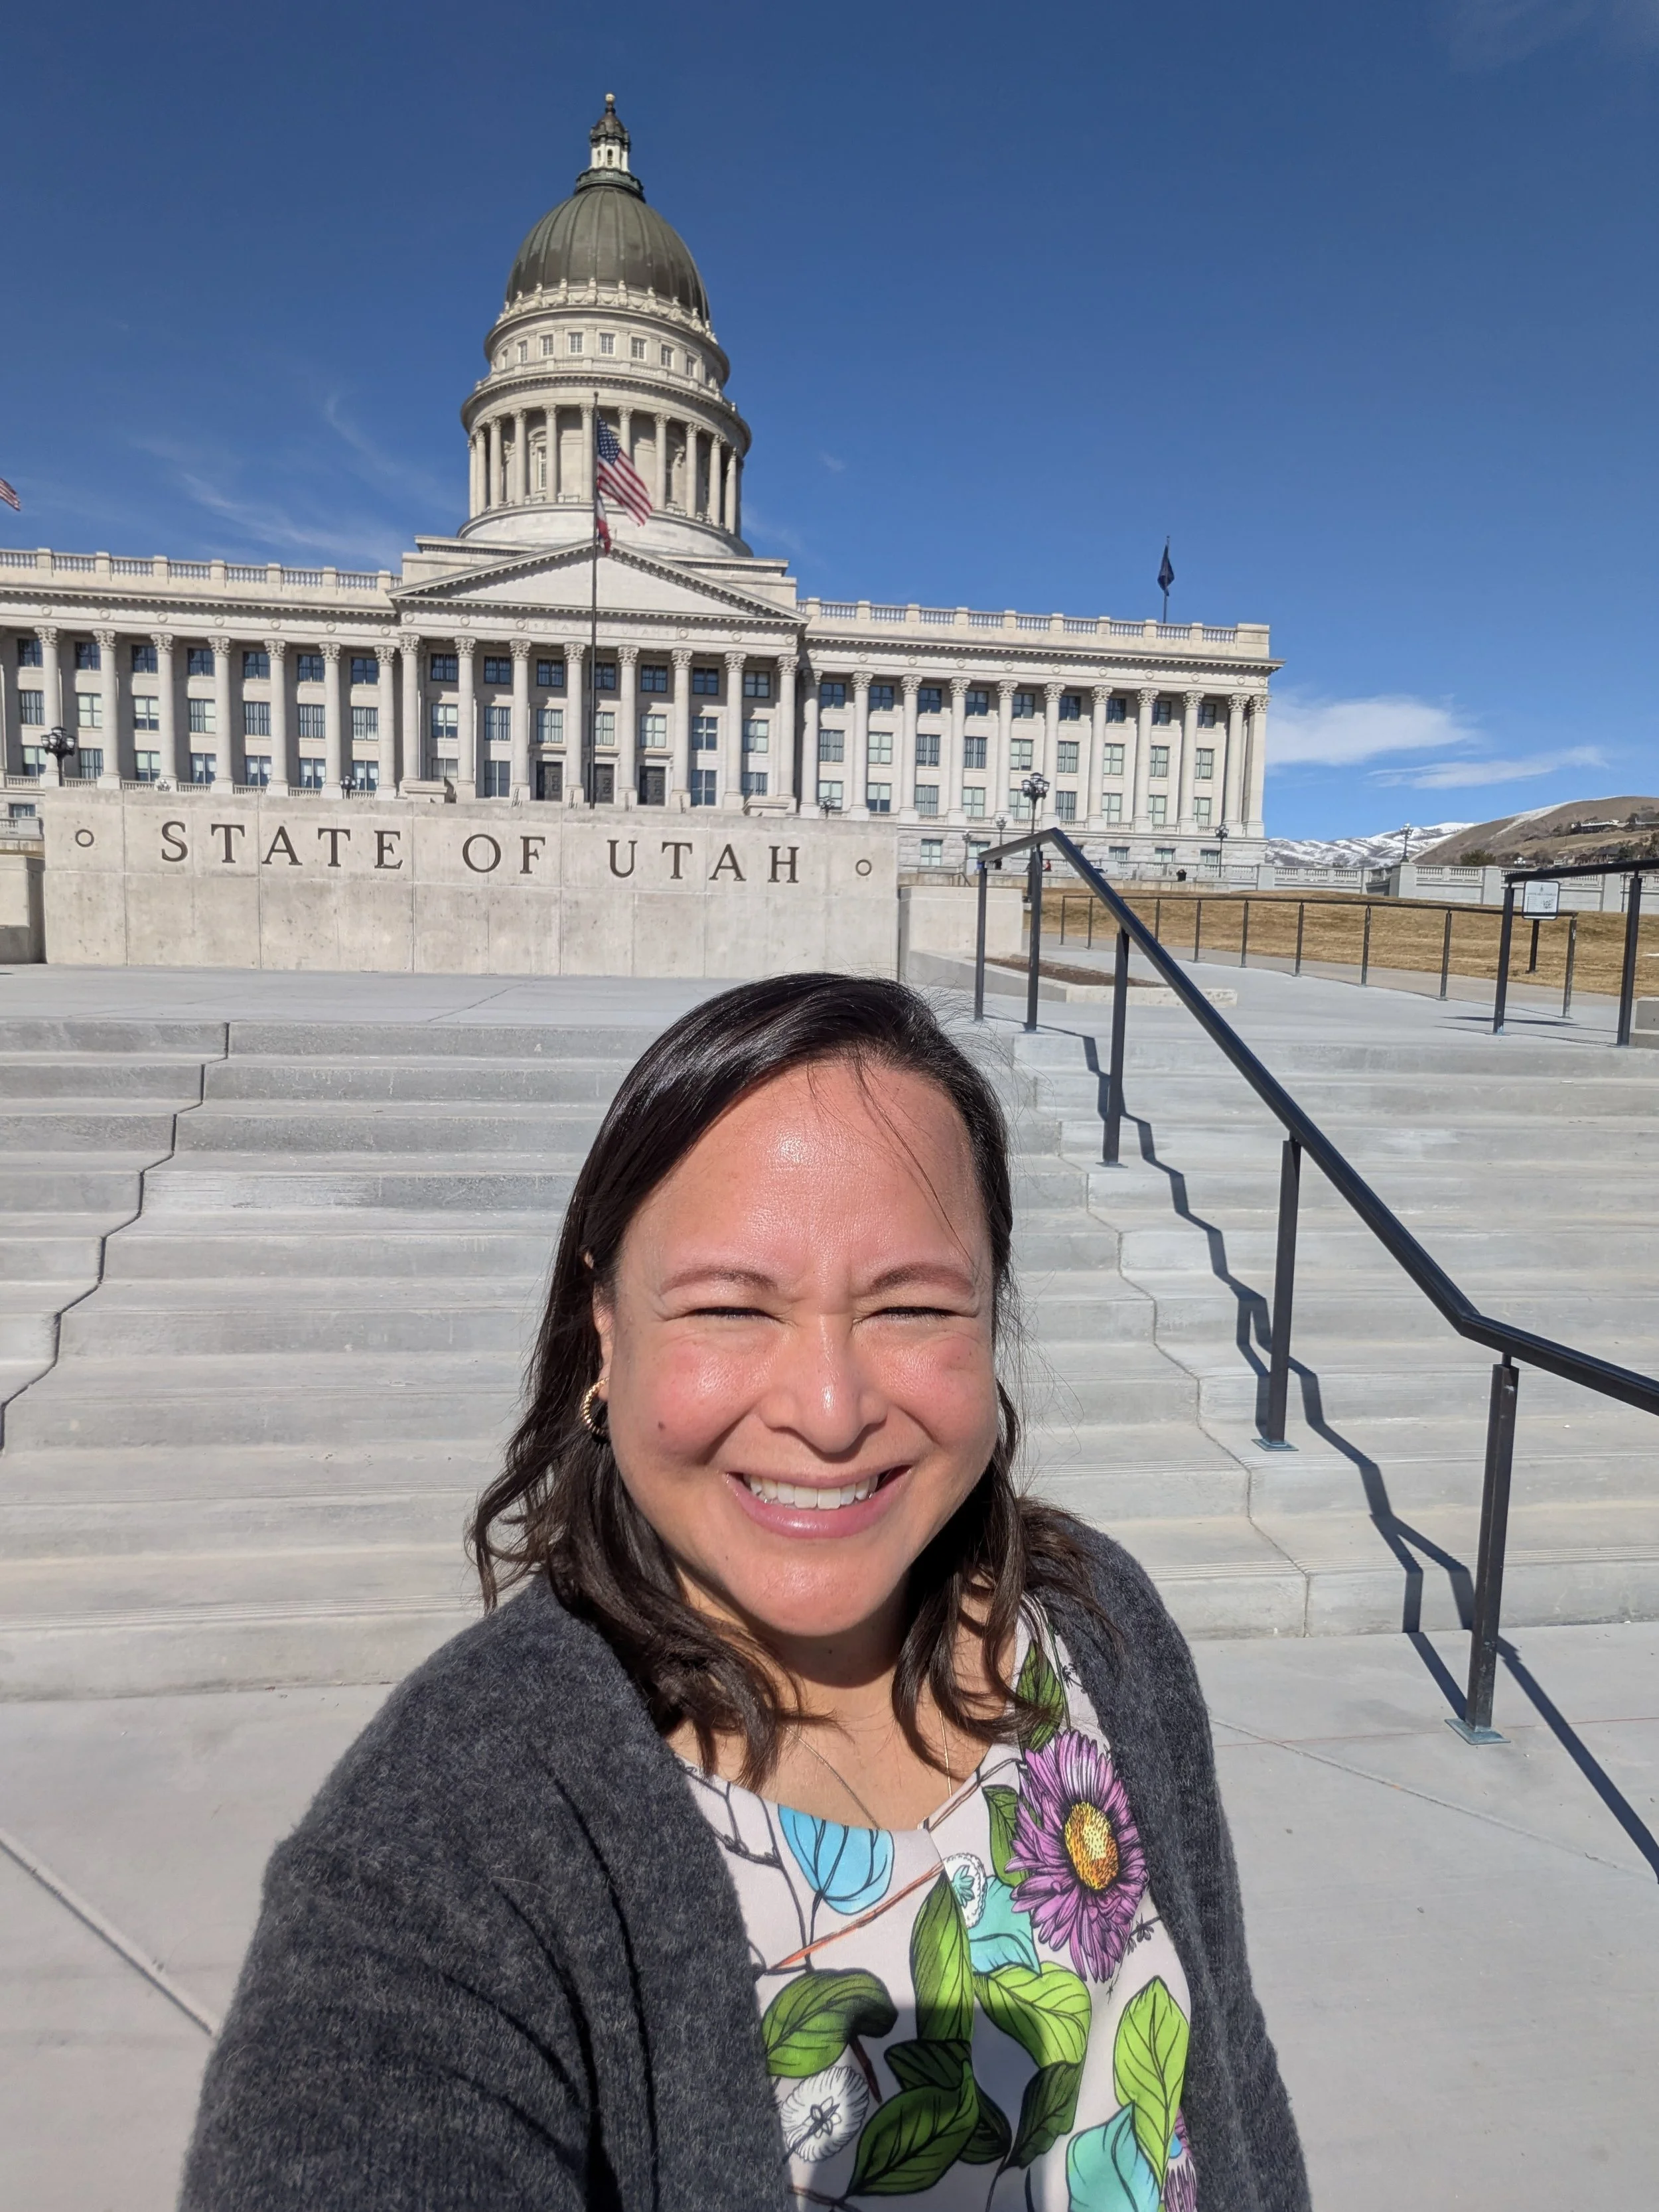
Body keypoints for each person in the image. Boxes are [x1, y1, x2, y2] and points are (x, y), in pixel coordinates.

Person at [182, 974, 1307, 2212]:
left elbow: (1230, 2078)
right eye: (729, 1308)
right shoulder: (448, 1847)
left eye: (914, 1306)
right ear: (604, 1330)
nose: (828, 1413)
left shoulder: (1096, 1628)